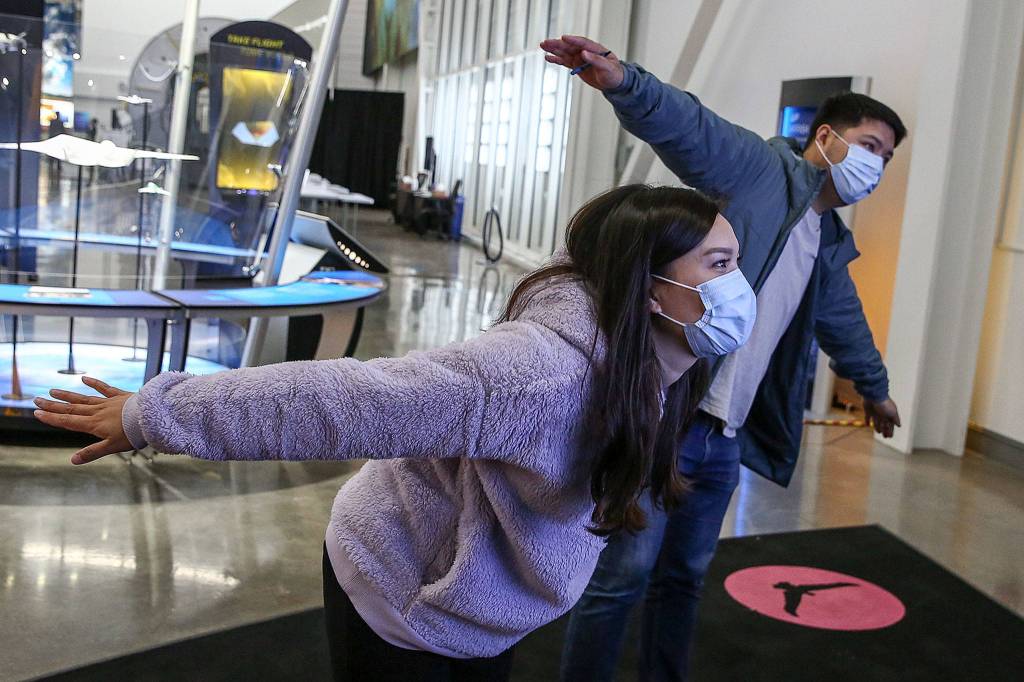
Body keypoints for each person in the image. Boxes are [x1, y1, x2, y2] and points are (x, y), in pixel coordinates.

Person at [33, 184, 756, 682]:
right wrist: (153, 413)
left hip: (484, 606)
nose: (736, 286)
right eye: (718, 265)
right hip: (401, 583)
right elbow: (345, 400)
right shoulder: (534, 373)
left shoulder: (663, 361)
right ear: (648, 282)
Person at [541, 35, 905, 682]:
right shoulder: (761, 173)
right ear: (825, 138)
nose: (875, 167)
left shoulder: (828, 243)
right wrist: (625, 82)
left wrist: (874, 389)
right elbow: (694, 129)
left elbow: (842, 322)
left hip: (725, 437)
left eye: (887, 158)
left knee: (682, 581)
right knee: (621, 579)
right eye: (869, 147)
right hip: (668, 417)